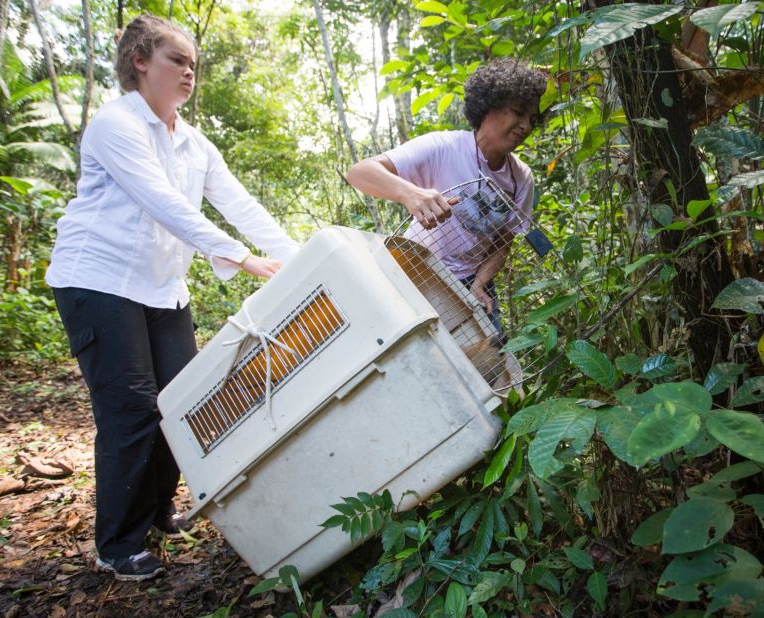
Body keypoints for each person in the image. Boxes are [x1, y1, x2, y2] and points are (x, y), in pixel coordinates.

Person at [45, 13, 299, 582]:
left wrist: (302, 256)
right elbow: (164, 203)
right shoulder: (116, 124)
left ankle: (157, 512)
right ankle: (117, 544)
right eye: (176, 60)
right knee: (132, 410)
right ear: (140, 61)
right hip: (99, 280)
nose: (189, 72)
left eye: (193, 64)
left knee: (180, 402)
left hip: (162, 288)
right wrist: (241, 257)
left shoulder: (194, 143)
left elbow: (241, 204)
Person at [345, 58, 546, 333]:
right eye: (518, 112)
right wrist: (411, 194)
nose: (525, 126)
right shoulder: (444, 147)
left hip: (469, 281)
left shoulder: (521, 178)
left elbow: (504, 240)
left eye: (532, 119)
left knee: (489, 365)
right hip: (415, 269)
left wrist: (480, 282)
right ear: (489, 105)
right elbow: (359, 173)